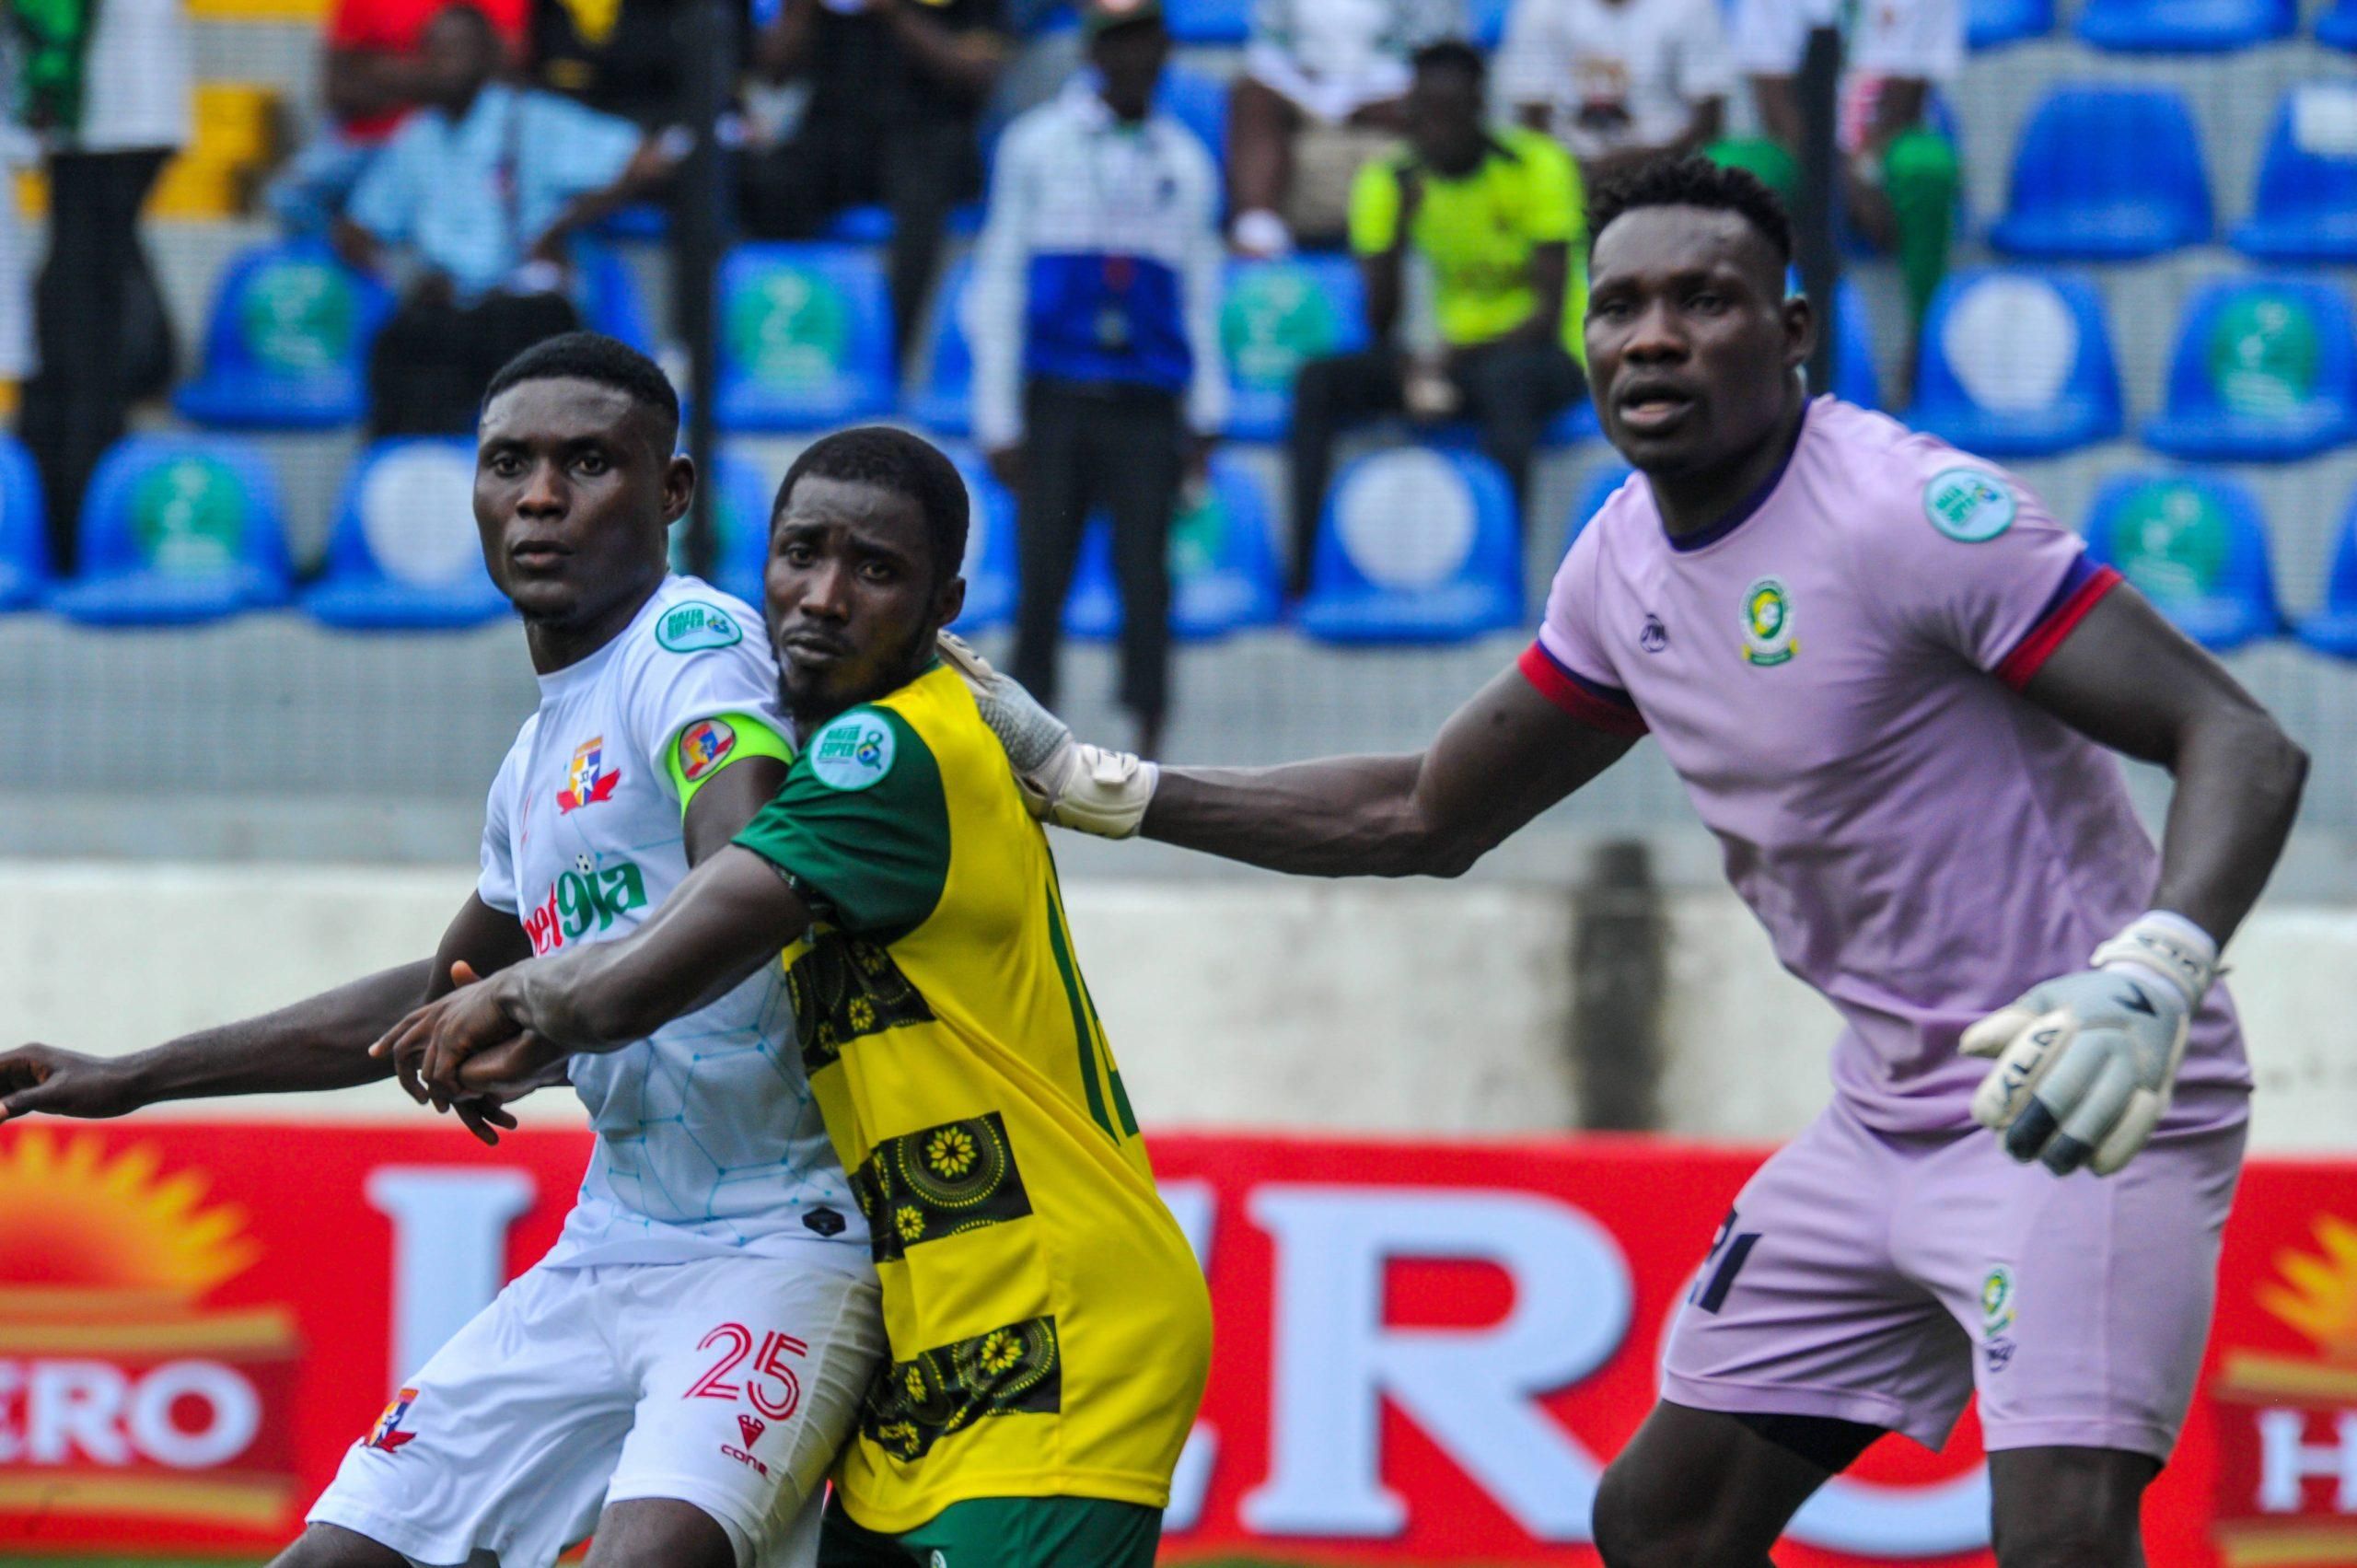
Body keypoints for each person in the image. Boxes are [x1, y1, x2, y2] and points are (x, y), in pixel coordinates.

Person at [985, 160, 2310, 1565]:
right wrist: (1098, 786)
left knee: (2059, 1537)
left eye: (1703, 301)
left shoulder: (1907, 515)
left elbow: (2237, 737)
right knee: (1662, 1520)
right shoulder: (1619, 563)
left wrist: (2156, 971)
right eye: (1618, 306)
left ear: (1793, 330)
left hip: (2083, 1086)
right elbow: (1427, 813)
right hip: (1888, 1105)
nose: (1653, 336)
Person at [0, 333, 887, 1568]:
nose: (538, 495)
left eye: (587, 462)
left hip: (779, 1242)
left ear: (672, 492)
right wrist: (138, 1072)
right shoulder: (533, 765)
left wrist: (550, 997)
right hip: (618, 1236)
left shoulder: (691, 651)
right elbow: (436, 995)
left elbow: (744, 861)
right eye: (508, 464)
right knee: (334, 1557)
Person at [375, 424, 1215, 1568]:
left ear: (942, 602)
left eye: (874, 571)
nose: (821, 597)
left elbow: (641, 975)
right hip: (930, 1337)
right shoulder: (835, 748)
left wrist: (532, 1002)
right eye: (798, 555)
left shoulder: (883, 752)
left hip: (1063, 1325)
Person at [966, 0, 1225, 760]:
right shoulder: (1035, 146)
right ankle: (1026, 745)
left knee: (1147, 575)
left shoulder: (1184, 161)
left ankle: (1149, 735)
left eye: (1145, 39)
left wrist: (1206, 411)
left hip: (1149, 398)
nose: (1133, 56)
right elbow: (1002, 278)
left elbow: (1199, 293)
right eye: (1117, 40)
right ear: (1092, 50)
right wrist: (998, 416)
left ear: (1166, 49)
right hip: (1058, 393)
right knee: (1042, 571)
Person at [1286, 40, 1586, 596]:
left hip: (1533, 356)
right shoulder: (1387, 180)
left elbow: (1547, 312)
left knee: (1510, 384)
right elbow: (1380, 322)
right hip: (1431, 362)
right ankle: (1300, 577)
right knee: (1317, 382)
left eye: (1452, 113)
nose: (1436, 128)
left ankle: (1504, 581)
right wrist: (1399, 230)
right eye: (1424, 113)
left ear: (1480, 107)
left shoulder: (1538, 166)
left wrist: (1449, 360)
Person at [336, 3, 670, 436]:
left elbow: (647, 158)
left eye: (456, 49)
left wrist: (561, 226)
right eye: (433, 51)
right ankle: (418, 479)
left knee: (533, 349)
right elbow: (356, 227)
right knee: (399, 346)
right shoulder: (416, 137)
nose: (442, 63)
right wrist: (403, 275)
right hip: (448, 307)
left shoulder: (534, 118)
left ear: (488, 56)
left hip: (524, 303)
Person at [14, 0, 189, 569]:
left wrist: (46, 79)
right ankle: (66, 521)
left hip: (109, 112)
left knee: (80, 338)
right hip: (108, 113)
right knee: (68, 318)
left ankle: (75, 531)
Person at [739, 0, 1009, 365]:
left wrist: (894, 11)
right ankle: (779, 343)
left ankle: (889, 359)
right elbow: (771, 71)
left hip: (927, 131)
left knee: (921, 196)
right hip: (839, 129)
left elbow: (976, 77)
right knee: (768, 179)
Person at [1715, 0, 1961, 357]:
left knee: (1927, 166)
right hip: (1796, 144)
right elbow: (1774, 101)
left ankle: (1924, 349)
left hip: (1885, 144)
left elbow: (1907, 98)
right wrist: (1829, 179)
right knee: (1731, 168)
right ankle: (1738, 345)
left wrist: (1864, 169)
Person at [265, 0, 529, 234]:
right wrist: (438, 81)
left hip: (454, 142)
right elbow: (336, 89)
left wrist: (379, 71)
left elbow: (501, 74)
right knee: (288, 196)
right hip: (369, 140)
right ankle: (355, 281)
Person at [1225, 0, 1460, 257]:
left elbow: (1443, 59)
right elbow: (1268, 50)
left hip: (1395, 97)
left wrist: (1370, 95)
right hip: (1305, 94)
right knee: (1251, 96)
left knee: (1442, 101)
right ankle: (1258, 230)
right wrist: (1314, 91)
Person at [1495, 0, 1735, 184]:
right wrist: (1578, 172)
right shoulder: (1542, 6)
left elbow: (1709, 121)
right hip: (1569, 175)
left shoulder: (1689, 6)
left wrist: (1639, 164)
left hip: (1670, 168)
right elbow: (1532, 119)